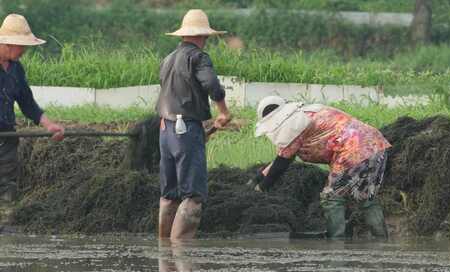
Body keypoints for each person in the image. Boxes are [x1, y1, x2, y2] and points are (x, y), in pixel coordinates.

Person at [251, 96, 391, 239]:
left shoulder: (293, 124)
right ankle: (381, 240)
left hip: (352, 151)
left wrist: (261, 187)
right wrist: (258, 178)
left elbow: (282, 164)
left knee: (331, 198)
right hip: (376, 145)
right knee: (366, 198)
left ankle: (335, 241)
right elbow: (282, 158)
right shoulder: (306, 112)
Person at [156, 9, 231, 240]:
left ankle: (164, 254)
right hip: (185, 128)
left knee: (169, 194)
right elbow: (212, 84)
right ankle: (182, 255)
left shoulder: (168, 59)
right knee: (193, 195)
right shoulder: (198, 57)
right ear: (203, 37)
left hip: (165, 129)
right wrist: (223, 111)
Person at [0, 14, 64, 203]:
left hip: (6, 137)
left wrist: (48, 125)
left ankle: (6, 219)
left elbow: (27, 102)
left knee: (7, 186)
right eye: (22, 46)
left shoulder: (16, 69)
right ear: (8, 43)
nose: (24, 51)